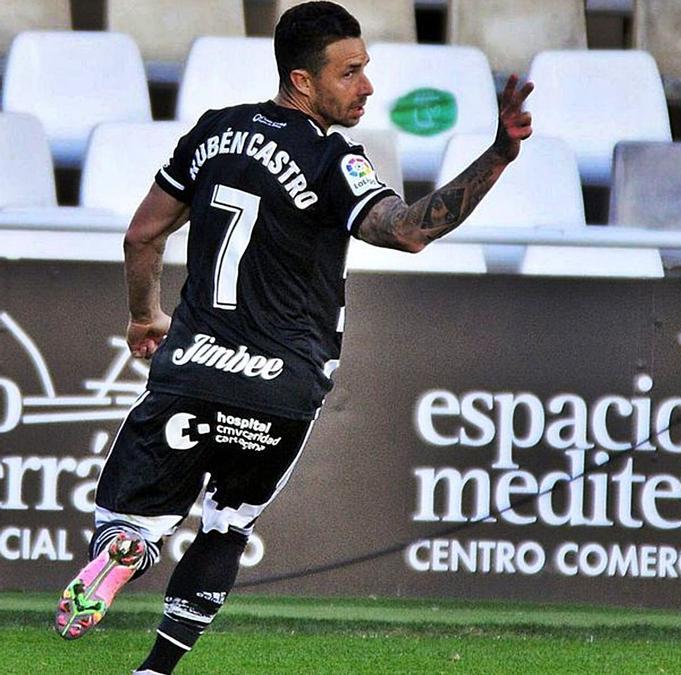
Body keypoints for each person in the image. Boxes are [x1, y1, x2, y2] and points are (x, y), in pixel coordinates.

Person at [52, 2, 533, 672]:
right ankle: (154, 669)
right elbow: (409, 228)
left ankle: (127, 545)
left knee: (129, 515)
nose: (366, 86)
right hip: (280, 387)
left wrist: (143, 317)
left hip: (191, 367)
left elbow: (141, 235)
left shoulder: (214, 132)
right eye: (350, 72)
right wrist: (500, 153)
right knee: (225, 524)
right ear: (303, 81)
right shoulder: (334, 158)